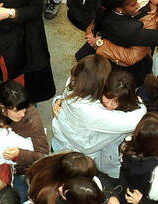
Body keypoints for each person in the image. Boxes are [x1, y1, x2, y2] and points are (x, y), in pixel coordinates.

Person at [52, 54, 146, 184]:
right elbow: (136, 120)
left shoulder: (74, 82)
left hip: (59, 144)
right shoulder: (92, 112)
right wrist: (139, 102)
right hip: (75, 159)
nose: (110, 105)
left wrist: (58, 101)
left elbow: (63, 96)